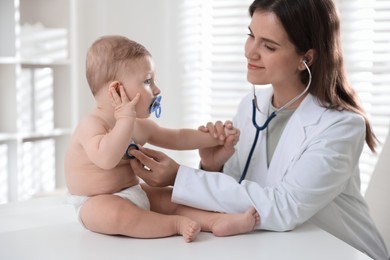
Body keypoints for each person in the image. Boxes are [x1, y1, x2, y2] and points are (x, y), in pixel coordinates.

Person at [129, 0, 389, 259]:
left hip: (341, 250)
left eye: (269, 45)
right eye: (251, 35)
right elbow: (237, 198)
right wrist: (213, 166)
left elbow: (283, 208)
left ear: (305, 59)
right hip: (277, 248)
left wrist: (178, 177)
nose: (250, 52)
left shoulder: (341, 128)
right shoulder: (251, 107)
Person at [64, 35, 260, 243]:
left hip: (133, 191)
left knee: (173, 197)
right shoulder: (91, 125)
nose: (156, 89)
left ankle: (216, 222)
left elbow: (178, 138)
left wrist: (214, 138)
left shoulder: (138, 125)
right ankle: (175, 224)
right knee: (116, 215)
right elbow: (106, 158)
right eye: (148, 81)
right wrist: (124, 120)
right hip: (95, 202)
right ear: (117, 90)